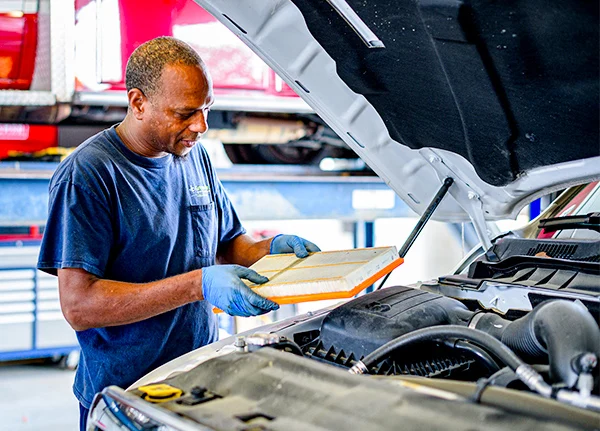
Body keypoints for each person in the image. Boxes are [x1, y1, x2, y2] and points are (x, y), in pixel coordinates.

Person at [36, 37, 320, 430]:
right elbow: (80, 307)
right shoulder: (90, 175)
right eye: (186, 112)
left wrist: (271, 250)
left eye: (206, 109)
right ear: (138, 103)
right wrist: (198, 285)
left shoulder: (191, 155)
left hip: (199, 379)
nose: (201, 126)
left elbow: (229, 245)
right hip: (127, 398)